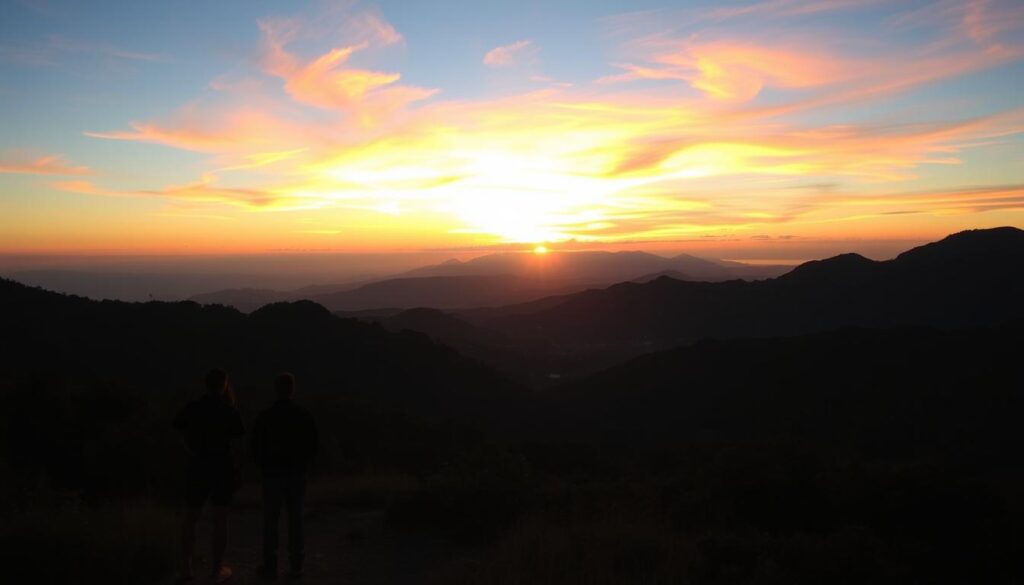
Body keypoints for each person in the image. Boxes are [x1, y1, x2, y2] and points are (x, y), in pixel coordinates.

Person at [173, 368, 245, 583]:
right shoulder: (229, 411)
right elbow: (239, 443)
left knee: (191, 518)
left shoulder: (193, 408)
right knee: (220, 519)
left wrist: (189, 450)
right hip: (222, 467)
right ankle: (216, 569)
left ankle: (186, 568)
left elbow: (178, 430)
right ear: (223, 385)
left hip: (197, 466)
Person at [252, 373, 319, 580]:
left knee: (271, 521)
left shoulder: (265, 416)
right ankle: (296, 565)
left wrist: (263, 466)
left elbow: (255, 447)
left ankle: (270, 566)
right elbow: (313, 445)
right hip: (297, 474)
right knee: (296, 519)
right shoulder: (304, 415)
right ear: (292, 389)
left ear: (276, 389)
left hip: (272, 475)